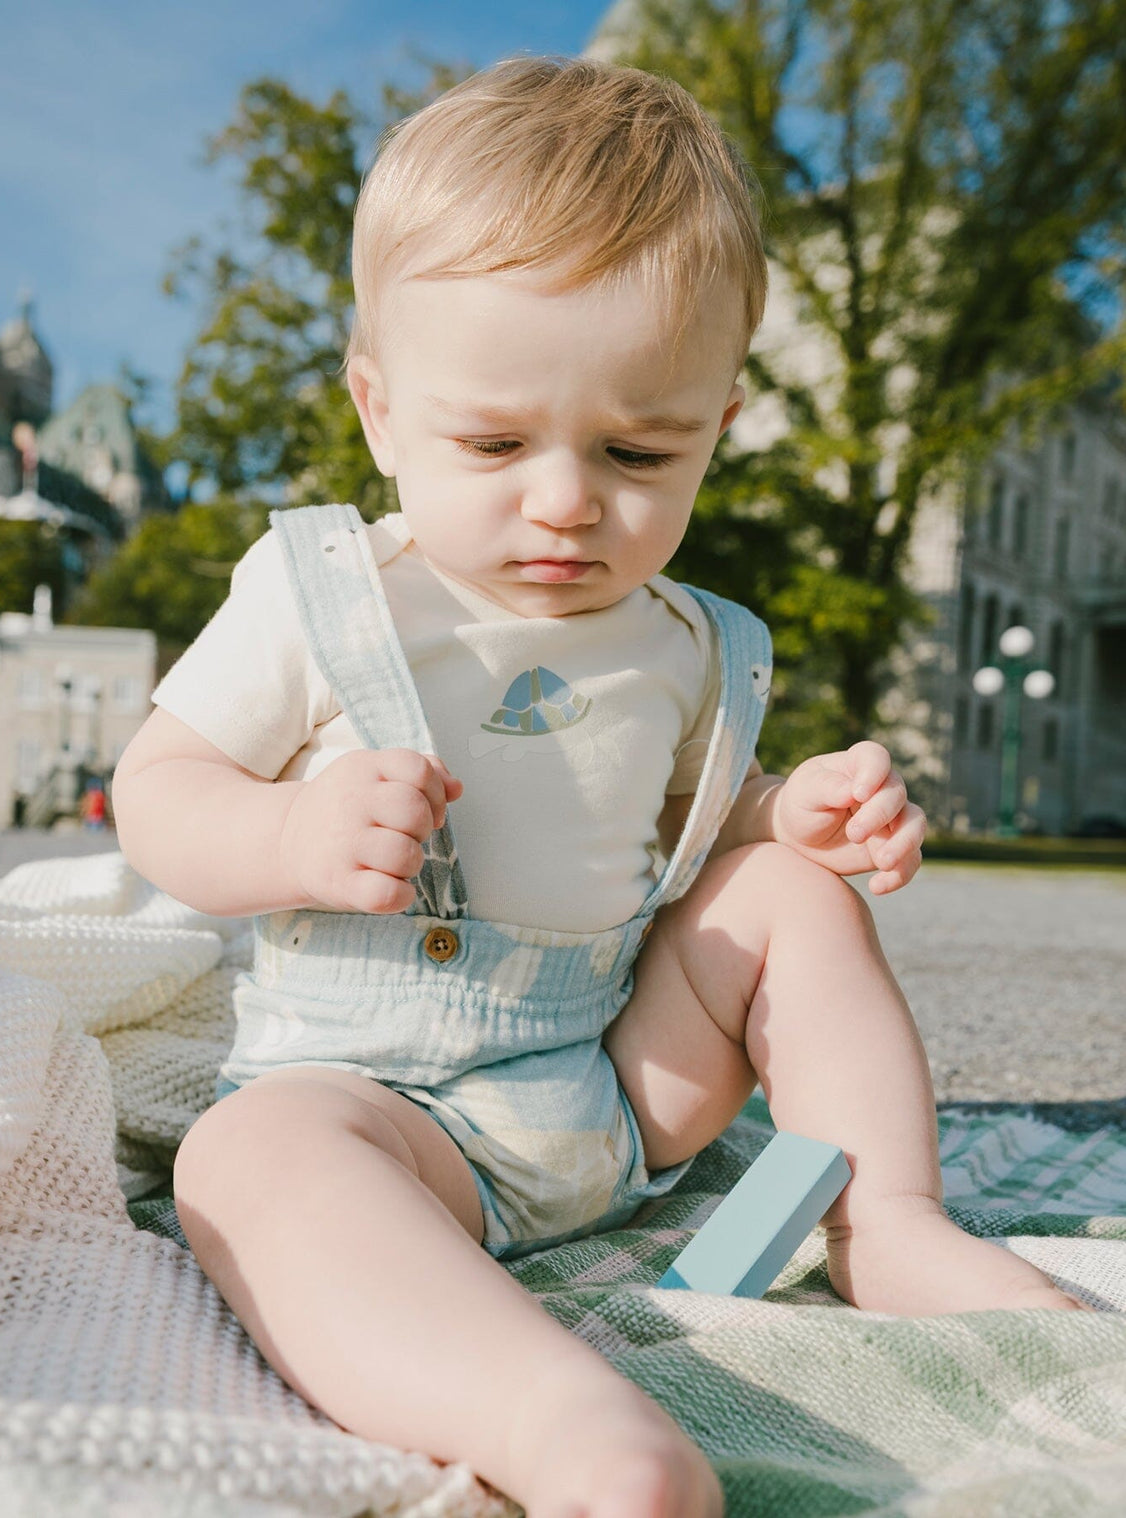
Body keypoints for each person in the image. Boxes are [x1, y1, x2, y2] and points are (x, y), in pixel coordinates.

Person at [111, 57, 1086, 1518]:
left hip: (624, 1089)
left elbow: (710, 814)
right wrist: (286, 830)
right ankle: (559, 1421)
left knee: (783, 896)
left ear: (719, 418)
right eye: (494, 442)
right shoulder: (324, 595)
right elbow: (159, 785)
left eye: (639, 449)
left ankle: (881, 1214)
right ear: (379, 410)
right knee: (253, 1159)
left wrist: (790, 817)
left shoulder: (689, 641)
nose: (566, 500)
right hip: (388, 1103)